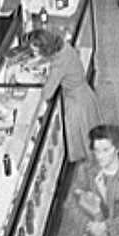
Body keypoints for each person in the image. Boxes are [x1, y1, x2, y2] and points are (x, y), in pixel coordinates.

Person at [10, 28, 104, 163]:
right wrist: (35, 63)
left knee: (82, 140)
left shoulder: (59, 64)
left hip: (76, 102)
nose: (35, 53)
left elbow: (47, 93)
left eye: (36, 50)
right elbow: (50, 59)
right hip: (84, 94)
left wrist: (40, 80)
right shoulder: (62, 48)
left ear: (45, 48)